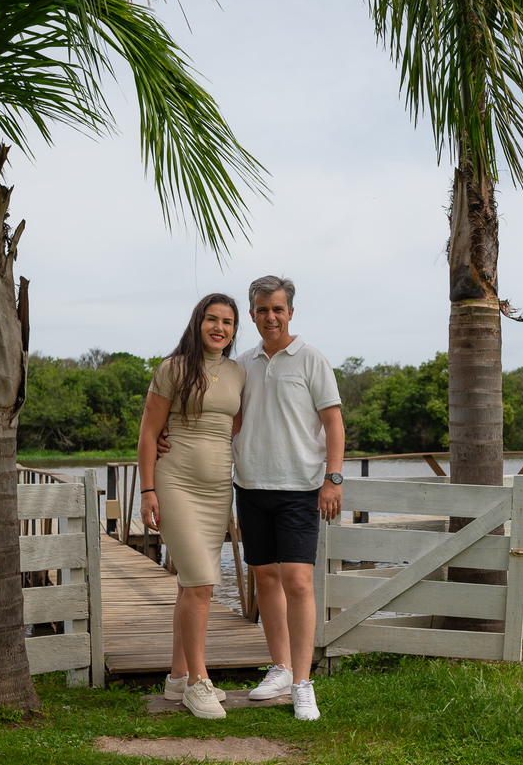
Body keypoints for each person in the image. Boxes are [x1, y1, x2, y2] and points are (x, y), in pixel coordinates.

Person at [233, 275, 344, 721]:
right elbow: (231, 423)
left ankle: (303, 683)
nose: (270, 317)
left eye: (278, 309)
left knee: (298, 581)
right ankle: (279, 669)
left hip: (301, 488)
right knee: (265, 580)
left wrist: (332, 479)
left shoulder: (311, 360)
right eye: (262, 310)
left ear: (290, 312)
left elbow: (333, 424)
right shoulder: (242, 364)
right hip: (251, 486)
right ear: (253, 314)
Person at [136, 293, 245, 720]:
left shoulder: (239, 373)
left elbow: (235, 427)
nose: (220, 328)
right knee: (201, 582)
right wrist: (148, 491)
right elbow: (149, 434)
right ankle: (200, 682)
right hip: (175, 482)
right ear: (198, 322)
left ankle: (177, 676)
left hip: (218, 487)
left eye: (229, 323)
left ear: (235, 330)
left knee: (189, 585)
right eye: (212, 320)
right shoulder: (173, 368)